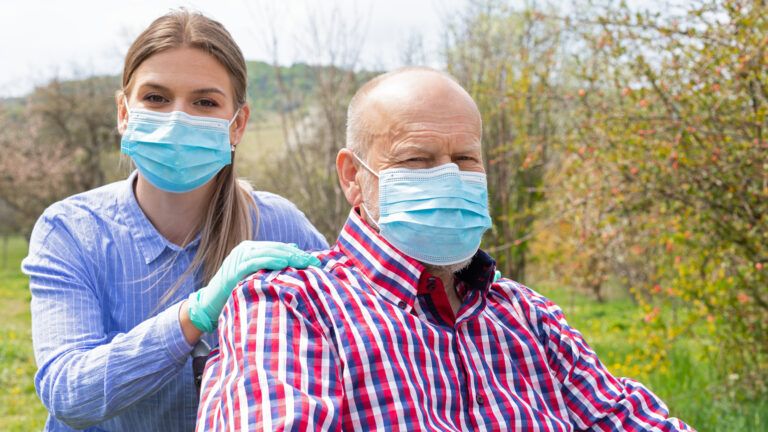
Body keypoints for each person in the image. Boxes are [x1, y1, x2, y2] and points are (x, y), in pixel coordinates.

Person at [197, 67, 694, 431]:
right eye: (417, 159)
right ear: (353, 177)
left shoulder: (530, 319)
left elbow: (633, 421)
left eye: (465, 158)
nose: (449, 178)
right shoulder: (290, 306)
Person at [21, 10, 328, 432]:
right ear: (124, 112)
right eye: (156, 98)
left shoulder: (279, 226)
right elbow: (68, 393)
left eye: (205, 102)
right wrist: (194, 316)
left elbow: (346, 335)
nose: (176, 119)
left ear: (237, 124)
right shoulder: (72, 231)